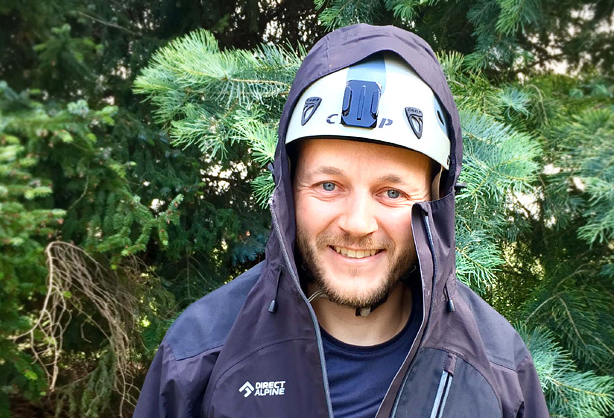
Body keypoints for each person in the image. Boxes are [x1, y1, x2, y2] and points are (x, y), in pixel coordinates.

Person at [133, 24, 549, 418]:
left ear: (434, 200)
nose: (357, 223)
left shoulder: (499, 372)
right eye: (329, 185)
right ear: (289, 188)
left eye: (392, 193)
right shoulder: (199, 359)